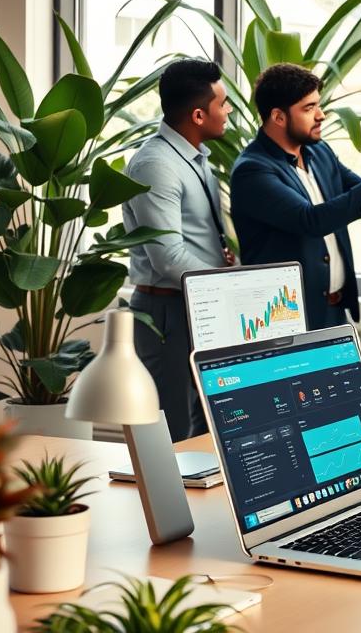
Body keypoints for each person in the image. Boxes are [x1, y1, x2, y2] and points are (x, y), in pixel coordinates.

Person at [230, 63, 361, 330]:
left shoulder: (319, 152)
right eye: (309, 108)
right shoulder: (253, 170)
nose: (321, 115)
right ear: (278, 117)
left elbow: (357, 196)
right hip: (284, 320)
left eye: (318, 105)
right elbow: (310, 220)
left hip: (334, 312)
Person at [124, 58, 235, 442]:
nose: (229, 112)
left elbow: (195, 236)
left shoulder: (195, 158)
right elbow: (167, 258)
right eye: (223, 104)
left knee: (208, 427)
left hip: (196, 305)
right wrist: (229, 285)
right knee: (174, 433)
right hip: (167, 312)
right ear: (199, 114)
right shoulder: (156, 165)